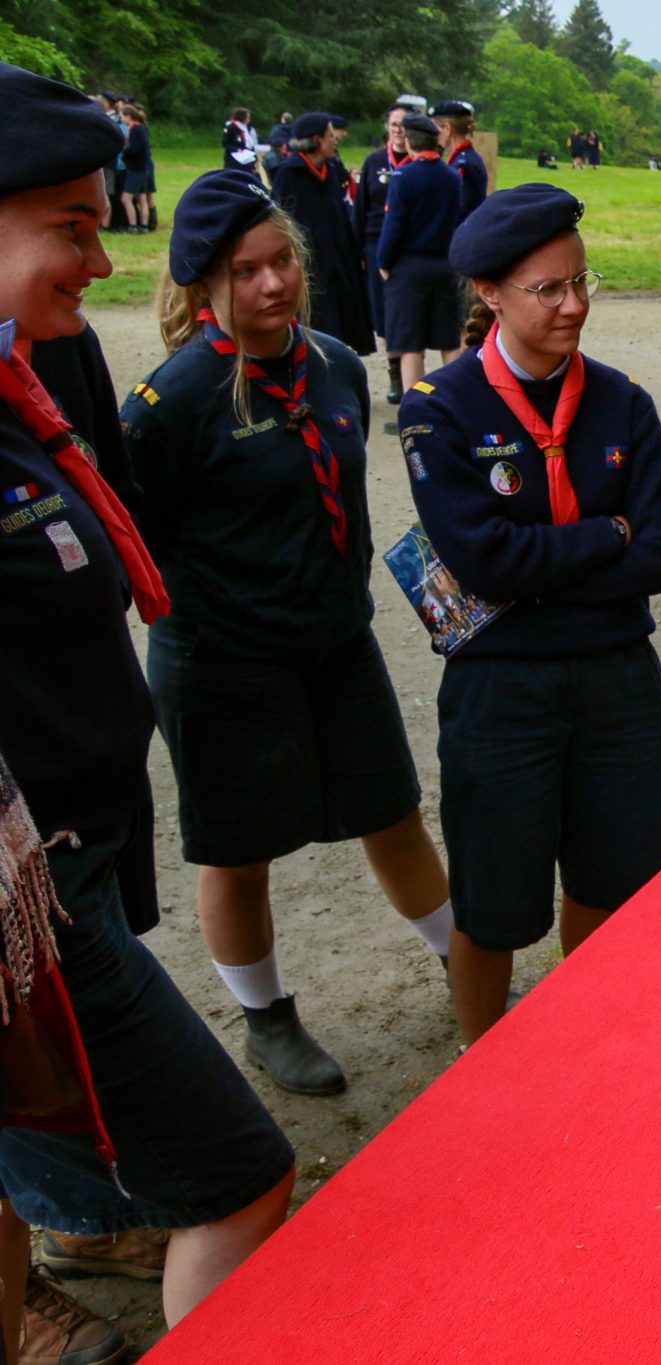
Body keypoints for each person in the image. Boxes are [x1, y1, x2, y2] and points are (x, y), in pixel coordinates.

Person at [0, 60, 295, 1348]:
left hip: (80, 831)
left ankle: (66, 1229)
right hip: (29, 896)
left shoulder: (36, 364)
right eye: (71, 227)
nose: (102, 263)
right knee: (239, 1177)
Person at [122, 169, 455, 1098]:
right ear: (203, 287)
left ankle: (460, 956)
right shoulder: (172, 405)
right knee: (239, 851)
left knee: (391, 811)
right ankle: (267, 1016)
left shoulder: (337, 364)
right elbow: (141, 554)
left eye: (282, 264)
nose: (272, 285)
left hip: (335, 641)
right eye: (246, 271)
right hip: (224, 663)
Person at [401, 184, 661, 1045]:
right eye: (548, 290)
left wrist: (537, 567)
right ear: (489, 292)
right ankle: (478, 1066)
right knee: (494, 904)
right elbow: (479, 561)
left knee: (615, 881)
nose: (575, 305)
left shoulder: (623, 403)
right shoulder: (440, 410)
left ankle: (589, 1043)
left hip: (615, 681)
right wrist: (607, 532)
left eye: (580, 281)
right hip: (501, 688)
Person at [377, 113, 465, 404]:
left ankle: (416, 408)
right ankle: (457, 402)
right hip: (445, 264)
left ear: (411, 142)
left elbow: (394, 225)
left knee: (410, 344)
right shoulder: (452, 176)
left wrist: (383, 262)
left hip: (409, 267)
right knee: (449, 340)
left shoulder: (404, 177)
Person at [271, 111, 376, 353]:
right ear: (317, 139)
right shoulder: (290, 174)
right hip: (311, 267)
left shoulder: (330, 170)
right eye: (330, 135)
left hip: (339, 263)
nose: (335, 139)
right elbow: (281, 221)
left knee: (340, 329)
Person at [356, 103, 417, 405]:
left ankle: (408, 374)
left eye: (404, 124)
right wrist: (359, 250)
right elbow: (360, 207)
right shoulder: (374, 161)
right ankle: (394, 374)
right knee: (382, 313)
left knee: (402, 312)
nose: (398, 129)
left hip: (408, 248)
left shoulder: (418, 161)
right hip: (374, 243)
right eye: (393, 123)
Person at [432, 100, 489, 223]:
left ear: (447, 128)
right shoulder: (465, 157)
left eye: (436, 130)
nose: (434, 135)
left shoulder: (463, 164)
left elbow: (463, 209)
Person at [117, 101, 154, 234]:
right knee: (141, 198)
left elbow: (134, 148)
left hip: (136, 169)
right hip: (143, 168)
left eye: (122, 116)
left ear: (128, 116)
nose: (121, 119)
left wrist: (124, 154)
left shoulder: (135, 129)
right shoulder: (140, 128)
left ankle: (133, 225)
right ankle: (143, 226)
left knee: (126, 198)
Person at [221, 105, 259, 172]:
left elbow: (250, 145)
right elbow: (225, 143)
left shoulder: (246, 128)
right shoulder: (231, 127)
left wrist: (255, 159)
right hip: (234, 160)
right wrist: (236, 149)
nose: (249, 119)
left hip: (246, 159)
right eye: (248, 117)